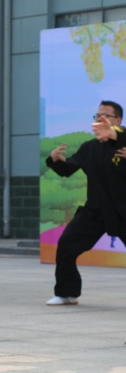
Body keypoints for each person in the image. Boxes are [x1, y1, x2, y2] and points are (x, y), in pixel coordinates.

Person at [45, 100, 126, 306]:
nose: (100, 119)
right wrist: (55, 159)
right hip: (96, 211)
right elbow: (68, 168)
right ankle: (67, 293)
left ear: (118, 120)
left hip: (123, 210)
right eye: (97, 115)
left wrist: (116, 136)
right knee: (66, 245)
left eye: (106, 115)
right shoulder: (89, 147)